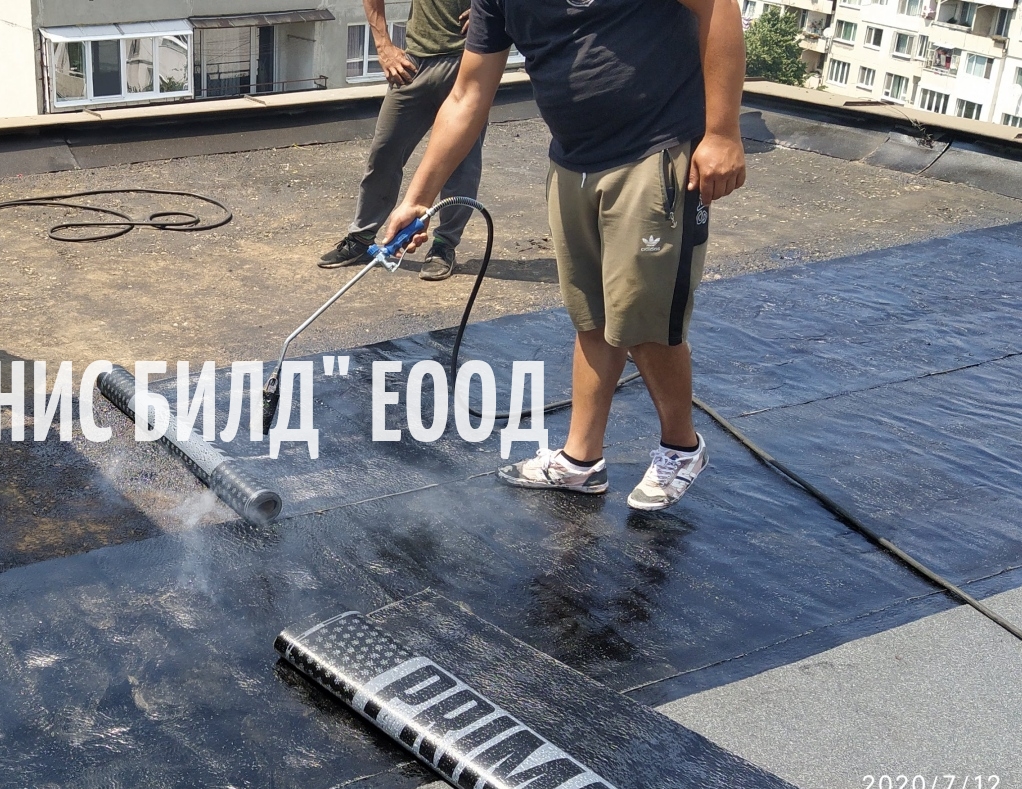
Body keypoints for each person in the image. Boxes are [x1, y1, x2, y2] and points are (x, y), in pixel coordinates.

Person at [380, 0, 747, 511]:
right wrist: (419, 199)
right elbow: (467, 94)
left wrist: (722, 132)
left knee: (645, 316)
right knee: (591, 314)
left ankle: (681, 447)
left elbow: (718, 7)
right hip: (573, 160)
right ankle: (581, 460)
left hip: (656, 149)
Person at [318, 0, 485, 281]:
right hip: (414, 63)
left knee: (462, 163)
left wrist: (494, 9)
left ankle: (444, 246)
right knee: (384, 153)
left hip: (469, 61)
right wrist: (383, 46)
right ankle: (361, 238)